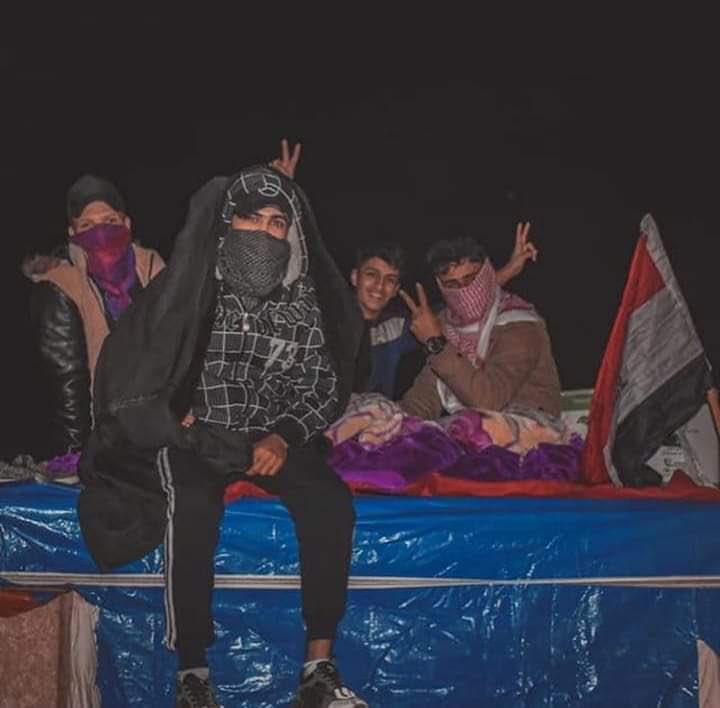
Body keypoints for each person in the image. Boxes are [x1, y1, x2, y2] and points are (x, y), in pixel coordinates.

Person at [77, 164, 367, 707]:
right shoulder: (194, 285)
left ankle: (318, 669)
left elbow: (321, 384)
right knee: (191, 506)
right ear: (228, 221)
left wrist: (283, 435)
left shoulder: (301, 299)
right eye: (251, 218)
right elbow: (142, 362)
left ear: (292, 232)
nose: (264, 232)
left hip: (269, 437)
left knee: (331, 503)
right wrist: (171, 413)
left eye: (277, 222)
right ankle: (193, 674)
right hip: (198, 436)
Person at [22, 175, 165, 461]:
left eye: (110, 221)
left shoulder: (157, 272)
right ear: (72, 232)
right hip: (102, 438)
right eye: (87, 225)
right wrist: (75, 455)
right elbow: (67, 384)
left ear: (126, 224)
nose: (100, 231)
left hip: (159, 428)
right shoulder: (60, 286)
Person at [351, 223, 540, 399]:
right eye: (371, 275)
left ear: (395, 289)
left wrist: (509, 270)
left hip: (374, 415)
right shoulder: (334, 322)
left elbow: (461, 303)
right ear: (354, 277)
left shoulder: (395, 327)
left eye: (390, 280)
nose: (379, 286)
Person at [399, 234, 562, 423]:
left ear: (486, 274)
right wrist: (392, 420)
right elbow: (426, 394)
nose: (463, 291)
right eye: (452, 285)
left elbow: (488, 401)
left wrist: (437, 344)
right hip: (471, 429)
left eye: (470, 280)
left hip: (528, 431)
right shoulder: (446, 325)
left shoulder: (519, 324)